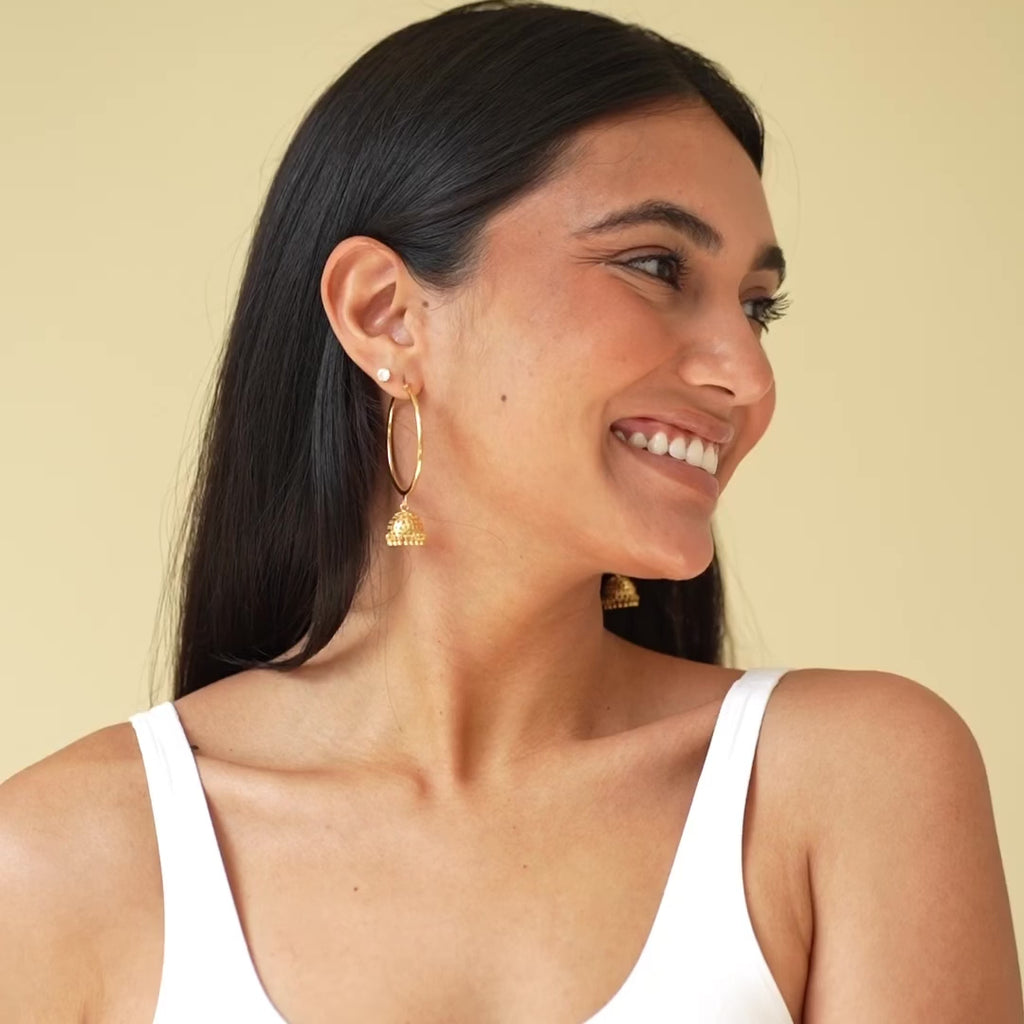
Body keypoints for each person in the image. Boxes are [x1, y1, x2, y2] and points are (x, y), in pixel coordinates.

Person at [2, 1, 1021, 1020]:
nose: (746, 377)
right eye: (656, 267)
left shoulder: (848, 786)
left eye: (757, 309)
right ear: (387, 314)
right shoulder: (56, 864)